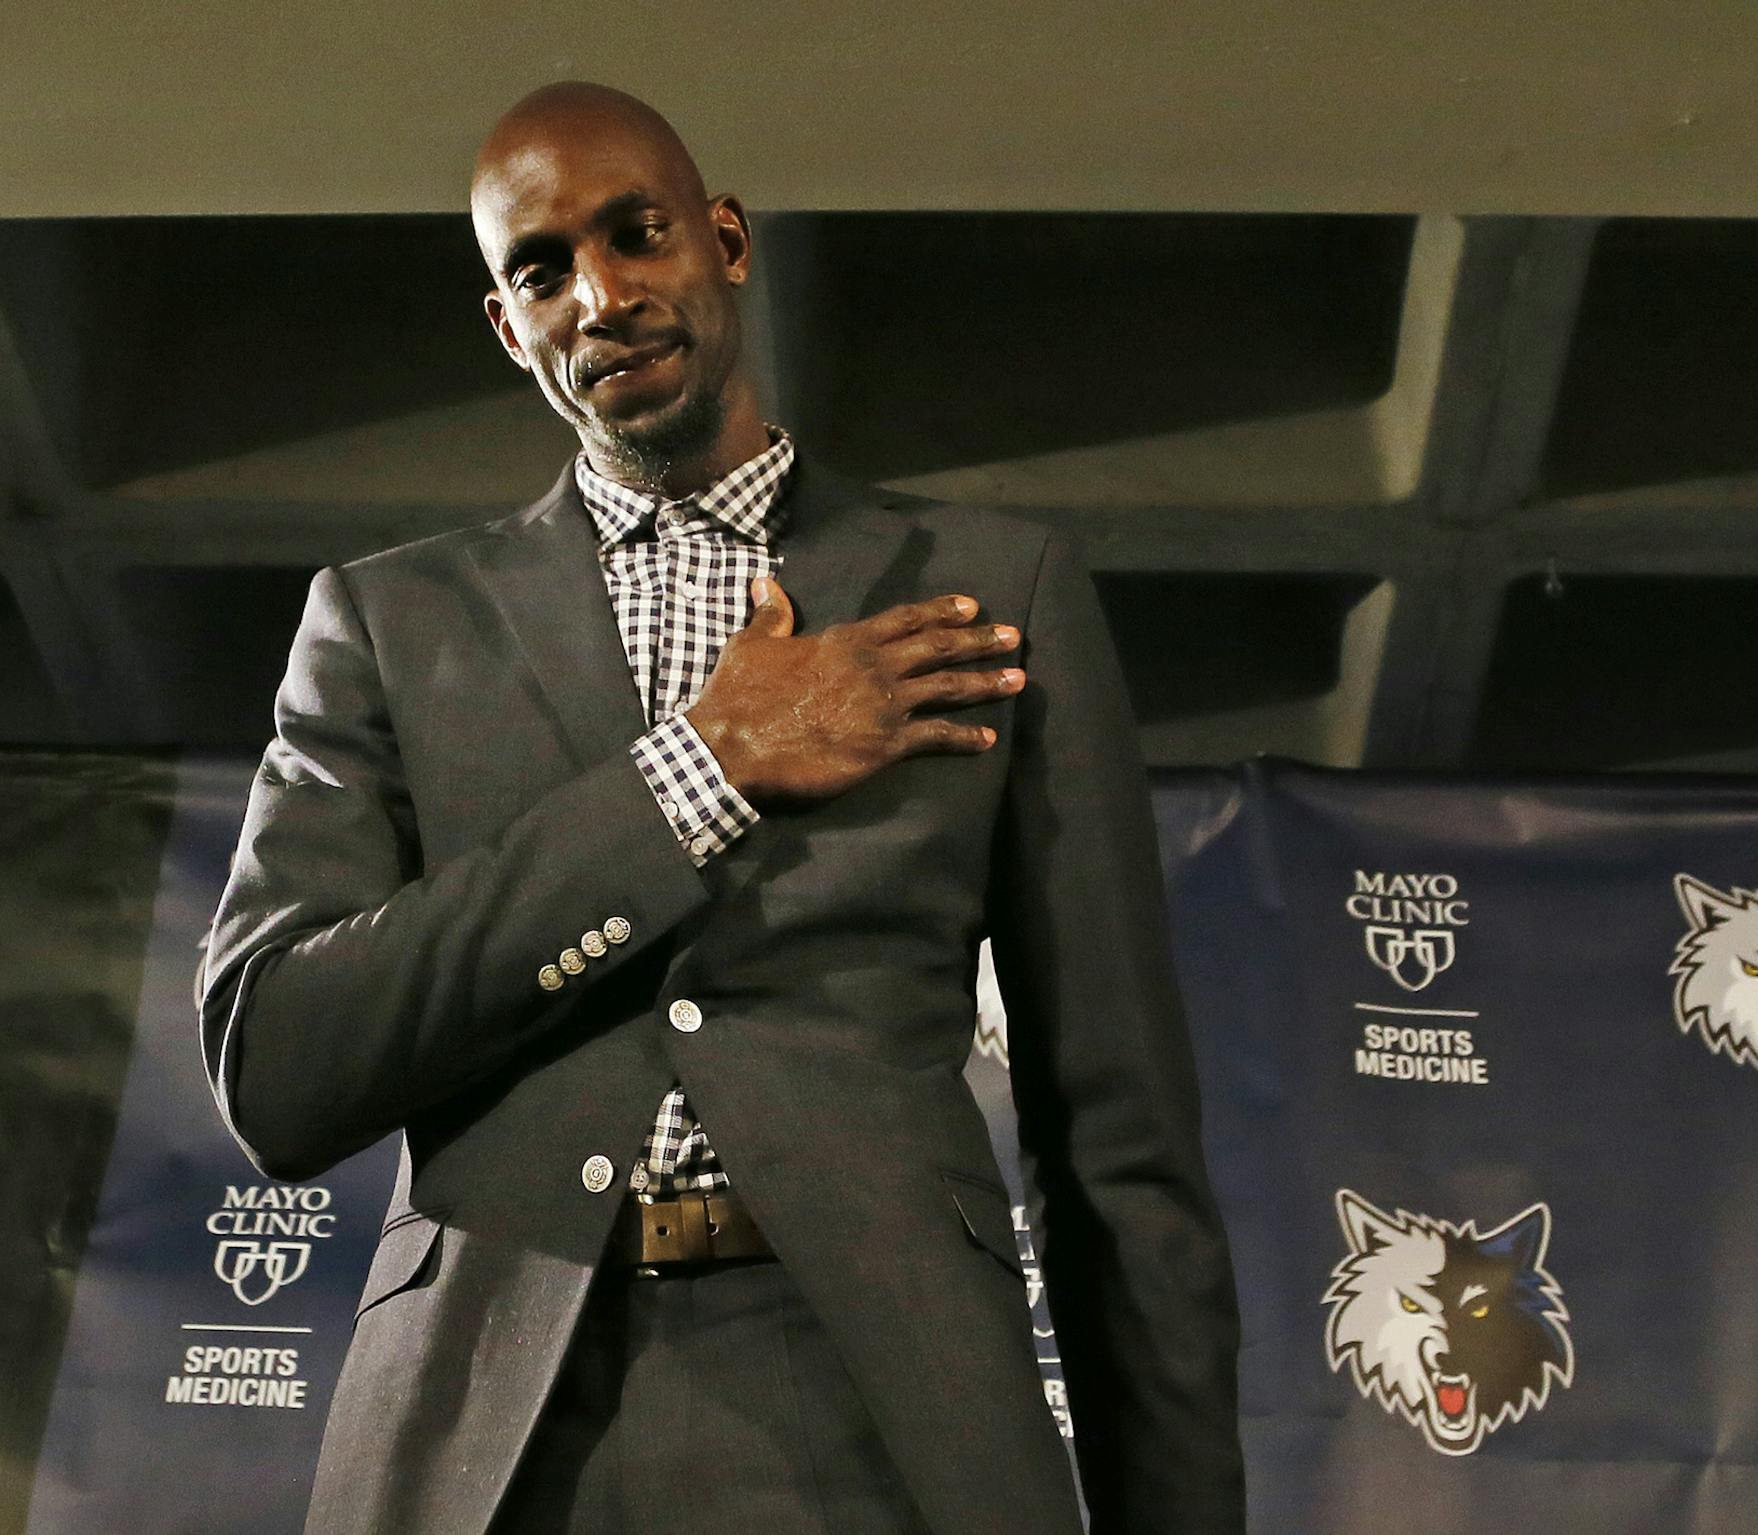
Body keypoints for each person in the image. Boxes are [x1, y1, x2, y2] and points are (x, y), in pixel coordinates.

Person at [199, 81, 1243, 1535]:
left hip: (879, 1403)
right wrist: (701, 767)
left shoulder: (990, 590)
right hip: (495, 1422)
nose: (602, 296)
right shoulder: (387, 622)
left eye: (637, 234)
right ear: (508, 327)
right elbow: (277, 1069)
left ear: (728, 242)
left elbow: (1120, 1142)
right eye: (543, 271)